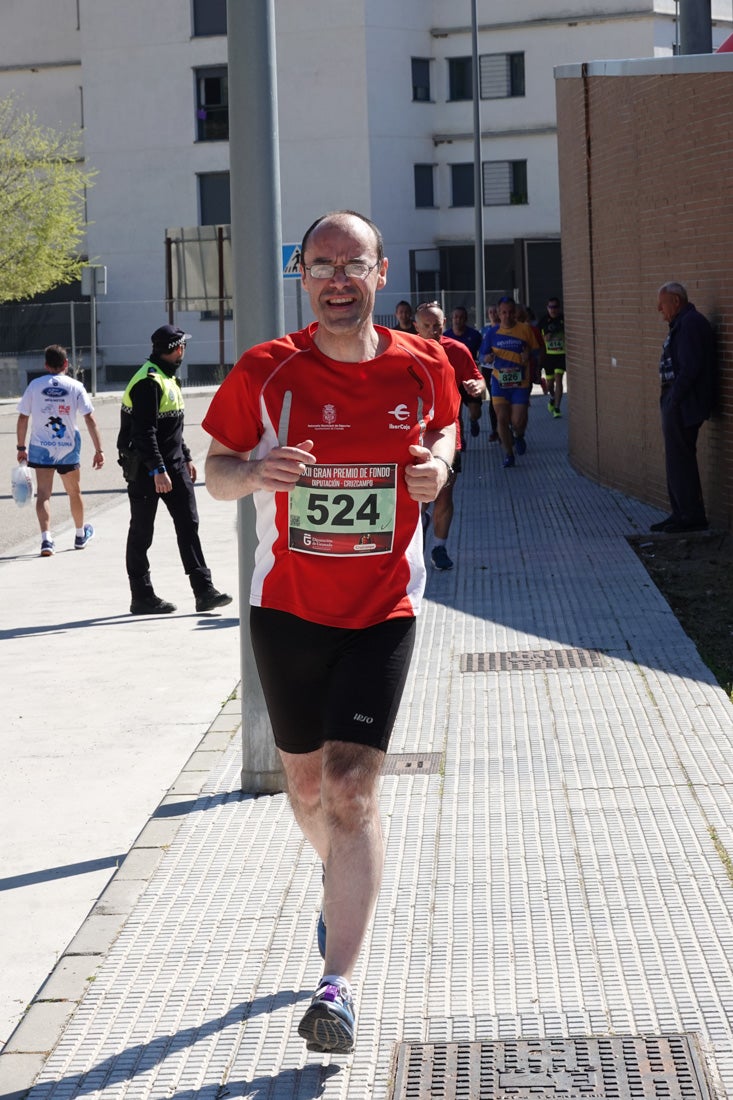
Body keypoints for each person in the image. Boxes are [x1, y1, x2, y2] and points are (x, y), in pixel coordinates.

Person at [202, 210, 458, 1055]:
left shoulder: (422, 366)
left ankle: (337, 987)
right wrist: (255, 471)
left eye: (354, 264)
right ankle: (335, 878)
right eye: (321, 265)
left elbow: (445, 429)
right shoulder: (266, 371)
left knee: (352, 794)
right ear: (301, 276)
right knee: (308, 794)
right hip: (287, 609)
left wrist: (438, 467)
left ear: (381, 273)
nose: (337, 278)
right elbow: (216, 475)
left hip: (381, 610)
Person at [117, 324, 232, 615]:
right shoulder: (149, 382)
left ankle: (204, 591)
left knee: (188, 524)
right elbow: (144, 432)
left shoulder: (168, 378)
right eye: (184, 347)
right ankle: (141, 596)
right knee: (142, 532)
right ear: (178, 349)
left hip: (174, 465)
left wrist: (187, 456)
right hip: (147, 469)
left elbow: (172, 429)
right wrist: (157, 469)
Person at [414, 301, 486, 570]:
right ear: (416, 326)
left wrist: (476, 386)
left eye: (437, 325)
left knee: (444, 494)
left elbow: (479, 379)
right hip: (412, 433)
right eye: (427, 326)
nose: (433, 331)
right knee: (416, 496)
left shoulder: (457, 350)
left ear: (444, 324)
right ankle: (417, 533)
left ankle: (439, 548)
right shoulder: (404, 351)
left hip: (447, 433)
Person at [15, 344, 103, 557]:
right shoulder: (76, 386)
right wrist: (99, 449)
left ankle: (46, 540)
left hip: (40, 447)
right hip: (68, 447)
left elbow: (23, 418)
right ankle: (80, 535)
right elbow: (89, 418)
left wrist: (21, 447)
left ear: (46, 365)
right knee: (74, 492)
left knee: (44, 494)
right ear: (66, 364)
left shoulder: (34, 386)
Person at [651, 282, 716, 533]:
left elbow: (691, 367)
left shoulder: (690, 324)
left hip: (684, 404)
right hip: (677, 401)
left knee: (680, 460)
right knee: (676, 459)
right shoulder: (682, 323)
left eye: (662, 303)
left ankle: (690, 515)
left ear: (676, 301)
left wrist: (674, 399)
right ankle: (680, 512)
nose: (659, 309)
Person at [481, 296, 539, 468]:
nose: (507, 316)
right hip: (499, 382)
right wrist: (488, 357)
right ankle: (508, 454)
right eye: (504, 312)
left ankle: (519, 435)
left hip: (520, 383)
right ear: (499, 314)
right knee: (502, 419)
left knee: (518, 421)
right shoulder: (492, 333)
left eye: (511, 312)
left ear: (516, 313)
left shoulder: (525, 330)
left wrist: (530, 358)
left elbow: (536, 352)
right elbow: (482, 355)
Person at [444, 305, 483, 437]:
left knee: (475, 411)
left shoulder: (475, 336)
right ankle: (460, 443)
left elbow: (482, 354)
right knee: (456, 415)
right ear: (451, 319)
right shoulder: (445, 336)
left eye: (461, 317)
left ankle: (473, 421)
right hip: (453, 381)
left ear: (465, 319)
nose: (458, 320)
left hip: (469, 378)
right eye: (455, 317)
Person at [539, 297, 566, 417]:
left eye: (555, 307)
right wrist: (544, 338)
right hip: (548, 356)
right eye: (550, 307)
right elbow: (538, 337)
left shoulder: (563, 319)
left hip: (560, 355)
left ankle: (557, 408)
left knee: (559, 378)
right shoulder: (544, 321)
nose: (553, 310)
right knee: (550, 385)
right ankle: (552, 397)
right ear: (547, 308)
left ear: (558, 308)